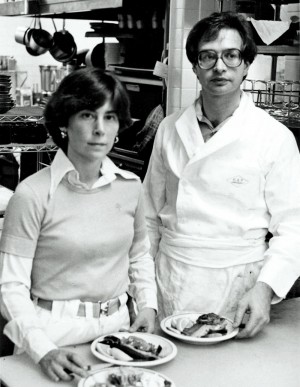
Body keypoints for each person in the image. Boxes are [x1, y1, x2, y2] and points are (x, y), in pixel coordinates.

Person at [143, 11, 300, 338]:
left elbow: (294, 227)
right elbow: (147, 219)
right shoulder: (170, 129)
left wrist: (264, 289)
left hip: (238, 287)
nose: (219, 66)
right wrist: (143, 296)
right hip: (171, 278)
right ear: (195, 66)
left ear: (246, 65)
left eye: (231, 55)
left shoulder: (274, 137)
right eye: (208, 56)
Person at [0, 68, 157, 381]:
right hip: (53, 333)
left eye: (110, 117)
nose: (100, 129)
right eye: (88, 115)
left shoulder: (131, 187)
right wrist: (42, 349)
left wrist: (148, 306)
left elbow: (139, 255)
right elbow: (10, 287)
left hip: (117, 331)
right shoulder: (32, 194)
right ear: (65, 122)